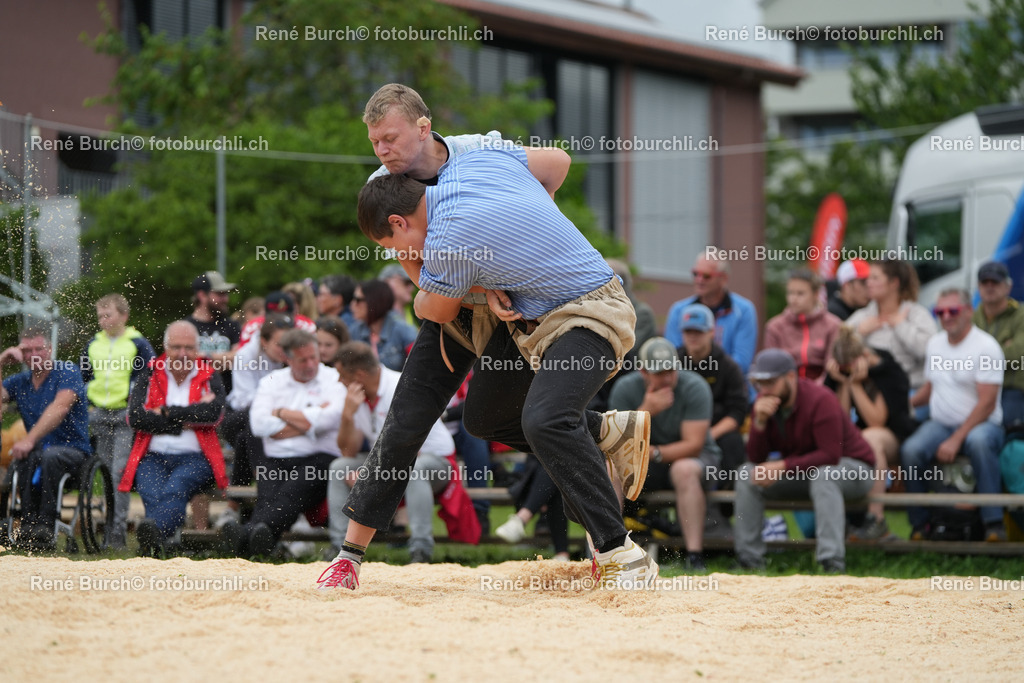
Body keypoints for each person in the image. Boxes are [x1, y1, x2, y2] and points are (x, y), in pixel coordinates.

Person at [316, 82, 650, 588]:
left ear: (424, 129)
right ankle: (350, 554)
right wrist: (484, 275)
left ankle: (617, 549)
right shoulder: (386, 188)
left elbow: (556, 163)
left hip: (522, 309)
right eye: (375, 142)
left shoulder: (478, 152)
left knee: (534, 420)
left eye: (390, 138)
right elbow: (423, 286)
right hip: (461, 303)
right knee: (410, 414)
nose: (382, 151)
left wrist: (515, 249)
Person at [734, 349, 876, 573]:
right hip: (806, 473)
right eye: (759, 383)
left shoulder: (821, 400)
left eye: (770, 382)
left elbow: (830, 455)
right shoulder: (764, 404)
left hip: (855, 470)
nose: (764, 390)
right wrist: (759, 423)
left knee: (824, 475)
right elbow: (756, 458)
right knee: (746, 474)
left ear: (790, 377)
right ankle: (749, 561)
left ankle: (831, 562)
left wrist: (783, 466)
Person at [327, 342, 457, 563]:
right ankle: (339, 547)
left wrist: (373, 474)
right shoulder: (355, 394)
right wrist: (347, 416)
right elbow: (348, 451)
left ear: (358, 375)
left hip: (435, 461)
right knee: (339, 468)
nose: (339, 381)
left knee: (416, 470)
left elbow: (408, 446)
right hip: (389, 463)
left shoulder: (402, 386)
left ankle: (421, 550)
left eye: (341, 375)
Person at [221, 329, 346, 557]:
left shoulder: (333, 378)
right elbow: (258, 425)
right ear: (287, 359)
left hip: (319, 458)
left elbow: (330, 418)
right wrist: (309, 421)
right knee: (270, 497)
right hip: (275, 457)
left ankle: (246, 538)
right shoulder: (273, 381)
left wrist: (280, 413)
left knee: (288, 496)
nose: (311, 364)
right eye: (303, 359)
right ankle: (261, 540)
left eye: (314, 357)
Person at [901, 289, 1007, 542]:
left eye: (953, 311)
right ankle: (921, 526)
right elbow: (930, 388)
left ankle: (994, 525)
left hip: (983, 423)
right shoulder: (935, 343)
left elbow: (987, 404)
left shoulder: (986, 347)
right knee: (910, 450)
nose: (946, 316)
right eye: (940, 312)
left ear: (969, 311)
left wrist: (956, 438)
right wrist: (902, 404)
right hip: (941, 423)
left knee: (979, 443)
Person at [608, 337, 722, 570]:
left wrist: (653, 452)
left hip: (695, 459)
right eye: (659, 372)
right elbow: (617, 443)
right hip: (646, 459)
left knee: (684, 470)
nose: (667, 378)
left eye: (671, 370)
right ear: (643, 372)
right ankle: (610, 549)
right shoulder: (625, 388)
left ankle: (695, 555)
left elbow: (693, 445)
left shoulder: (694, 386)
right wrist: (645, 411)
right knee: (612, 467)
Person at [121, 321, 228, 556]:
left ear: (197, 349)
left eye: (189, 348)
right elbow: (136, 418)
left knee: (175, 490)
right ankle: (162, 545)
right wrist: (186, 421)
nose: (182, 354)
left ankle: (152, 540)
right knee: (152, 494)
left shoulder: (210, 374)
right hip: (152, 456)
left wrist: (167, 413)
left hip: (196, 458)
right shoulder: (149, 372)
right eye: (176, 347)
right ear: (165, 346)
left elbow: (214, 415)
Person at [1, 327, 92, 550]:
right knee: (24, 458)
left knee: (47, 455)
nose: (33, 355)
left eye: (39, 349)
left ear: (50, 349)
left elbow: (59, 409)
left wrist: (29, 439)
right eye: (27, 350)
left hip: (73, 451)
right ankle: (27, 525)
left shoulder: (67, 371)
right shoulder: (20, 381)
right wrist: (1, 363)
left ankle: (45, 524)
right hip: (37, 452)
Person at [825, 326, 916, 541]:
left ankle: (876, 519)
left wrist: (855, 385)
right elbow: (842, 423)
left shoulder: (887, 371)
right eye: (843, 369)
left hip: (893, 436)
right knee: (837, 443)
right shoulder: (840, 376)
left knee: (871, 438)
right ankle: (843, 522)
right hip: (857, 439)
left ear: (865, 356)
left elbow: (877, 420)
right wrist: (844, 383)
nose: (847, 372)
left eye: (850, 368)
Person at [81, 293, 156, 548]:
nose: (103, 320)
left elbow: (147, 377)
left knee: (120, 470)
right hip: (99, 413)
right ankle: (105, 521)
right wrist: (89, 405)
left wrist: (134, 407)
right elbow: (83, 376)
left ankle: (118, 529)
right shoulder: (94, 343)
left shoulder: (138, 343)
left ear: (123, 315)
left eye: (108, 315)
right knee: (102, 470)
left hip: (125, 414)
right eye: (100, 316)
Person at [214, 313, 295, 530]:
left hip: (266, 423)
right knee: (250, 428)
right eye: (279, 344)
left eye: (288, 344)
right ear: (264, 342)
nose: (284, 349)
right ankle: (263, 512)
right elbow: (245, 400)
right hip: (240, 416)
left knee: (246, 439)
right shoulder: (246, 355)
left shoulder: (292, 357)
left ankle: (235, 509)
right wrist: (277, 408)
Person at [676, 303, 749, 487]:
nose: (692, 337)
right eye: (688, 331)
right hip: (678, 431)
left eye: (698, 332)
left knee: (732, 442)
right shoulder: (672, 363)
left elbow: (738, 412)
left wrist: (708, 434)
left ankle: (727, 502)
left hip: (717, 430)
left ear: (711, 332)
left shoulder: (728, 366)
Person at [846, 260, 937, 395]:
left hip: (911, 391)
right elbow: (838, 352)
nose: (868, 283)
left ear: (894, 283)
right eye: (868, 278)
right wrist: (859, 333)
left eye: (875, 278)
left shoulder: (916, 314)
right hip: (871, 392)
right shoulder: (862, 317)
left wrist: (901, 326)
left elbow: (930, 351)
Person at [663, 254, 758, 373]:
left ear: (723, 279)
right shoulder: (678, 311)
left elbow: (741, 363)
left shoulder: (743, 311)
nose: (699, 280)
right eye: (695, 274)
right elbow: (672, 358)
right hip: (688, 385)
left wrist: (714, 380)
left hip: (728, 386)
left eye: (707, 276)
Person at [971, 261, 1024, 430]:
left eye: (995, 282)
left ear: (1008, 287)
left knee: (1007, 430)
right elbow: (960, 354)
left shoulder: (1020, 314)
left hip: (1011, 388)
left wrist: (978, 357)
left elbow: (1018, 355)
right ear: (978, 287)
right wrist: (1003, 348)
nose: (989, 286)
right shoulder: (970, 316)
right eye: (984, 282)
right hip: (976, 386)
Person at [764, 269, 842, 382]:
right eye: (790, 293)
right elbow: (771, 368)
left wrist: (815, 390)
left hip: (822, 390)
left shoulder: (833, 325)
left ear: (815, 294)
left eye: (800, 293)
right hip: (786, 390)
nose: (793, 299)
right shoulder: (775, 327)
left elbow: (831, 367)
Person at [347, 280, 418, 371]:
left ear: (374, 301)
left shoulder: (404, 330)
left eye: (358, 300)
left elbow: (419, 367)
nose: (352, 305)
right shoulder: (354, 331)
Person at [186, 270, 241, 369]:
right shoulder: (185, 327)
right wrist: (225, 359)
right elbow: (184, 362)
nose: (226, 299)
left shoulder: (232, 325)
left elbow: (240, 359)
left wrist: (206, 357)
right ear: (202, 295)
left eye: (226, 294)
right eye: (220, 294)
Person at [380, 263, 418, 327]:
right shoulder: (376, 316)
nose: (412, 288)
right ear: (387, 282)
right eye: (406, 283)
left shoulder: (408, 313)